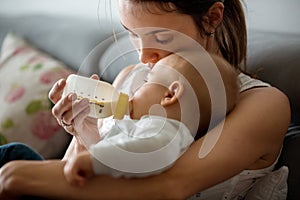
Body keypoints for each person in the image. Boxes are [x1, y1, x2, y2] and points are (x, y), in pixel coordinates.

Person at [0, 0, 290, 199]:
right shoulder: (132, 77)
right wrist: (83, 131)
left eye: (161, 38)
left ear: (212, 17)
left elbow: (170, 187)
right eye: (132, 35)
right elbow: (75, 176)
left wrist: (17, 175)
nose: (142, 56)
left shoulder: (263, 105)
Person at [63, 53, 239, 187]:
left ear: (170, 95)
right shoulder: (147, 127)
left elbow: (150, 152)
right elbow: (121, 150)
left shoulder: (165, 130)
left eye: (146, 81)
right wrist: (87, 133)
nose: (134, 90)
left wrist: (95, 161)